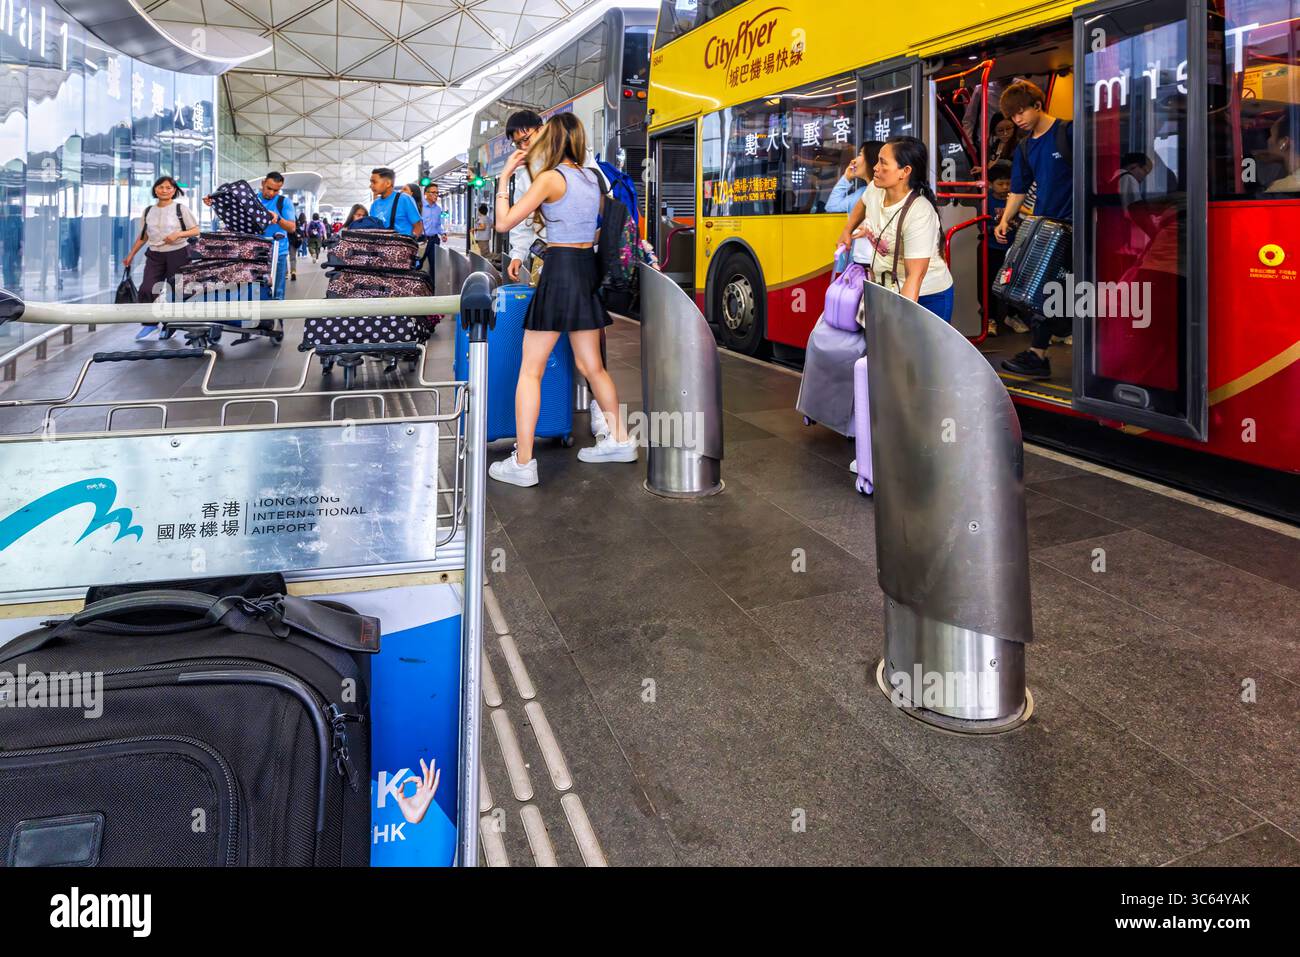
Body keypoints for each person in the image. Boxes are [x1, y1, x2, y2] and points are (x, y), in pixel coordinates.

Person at [487, 112, 637, 487]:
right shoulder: (590, 179)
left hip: (559, 273)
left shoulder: (551, 179)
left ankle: (523, 463)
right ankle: (620, 439)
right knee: (593, 367)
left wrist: (505, 178)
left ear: (552, 140)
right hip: (586, 270)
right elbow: (605, 223)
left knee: (531, 370)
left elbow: (504, 223)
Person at [993, 80, 1073, 378]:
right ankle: (1038, 354)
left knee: (1060, 292)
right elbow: (1018, 188)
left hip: (1078, 227)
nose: (1018, 120)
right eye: (1013, 116)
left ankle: (1042, 353)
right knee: (1040, 291)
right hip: (1046, 229)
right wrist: (1004, 221)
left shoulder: (1068, 132)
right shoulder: (1026, 147)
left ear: (1038, 105)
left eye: (1021, 112)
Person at [837, 135, 955, 322]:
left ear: (905, 171)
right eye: (877, 161)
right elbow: (862, 204)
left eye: (883, 163)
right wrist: (847, 231)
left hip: (926, 298)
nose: (875, 167)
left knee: (916, 351)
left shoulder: (919, 212)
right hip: (886, 290)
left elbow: (914, 278)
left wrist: (900, 326)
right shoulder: (875, 190)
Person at [502, 108, 606, 283]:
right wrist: (518, 254)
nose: (523, 147)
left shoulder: (580, 160)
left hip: (577, 255)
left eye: (526, 139)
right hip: (547, 255)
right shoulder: (525, 176)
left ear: (542, 130)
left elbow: (602, 197)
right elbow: (521, 221)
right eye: (517, 144)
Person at [123, 174, 200, 337]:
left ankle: (172, 325)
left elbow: (196, 230)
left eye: (168, 187)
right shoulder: (148, 211)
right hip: (155, 255)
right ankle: (150, 323)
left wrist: (178, 234)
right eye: (160, 187)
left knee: (178, 291)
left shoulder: (181, 209)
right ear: (155, 190)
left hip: (179, 254)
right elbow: (144, 236)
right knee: (147, 288)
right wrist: (131, 254)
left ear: (174, 191)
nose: (164, 190)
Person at [205, 171, 296, 301]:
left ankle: (276, 319)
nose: (271, 193)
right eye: (268, 188)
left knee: (277, 291)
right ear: (263, 183)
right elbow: (233, 215)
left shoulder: (284, 202)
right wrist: (213, 202)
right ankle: (258, 318)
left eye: (276, 190)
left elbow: (292, 228)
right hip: (253, 252)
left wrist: (278, 218)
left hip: (277, 253)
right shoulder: (250, 199)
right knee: (252, 289)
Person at [985, 160, 1014, 336]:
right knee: (991, 284)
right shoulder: (987, 200)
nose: (1004, 187)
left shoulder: (1016, 200)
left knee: (1013, 283)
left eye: (1008, 183)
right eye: (1000, 183)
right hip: (992, 248)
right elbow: (982, 223)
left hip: (1012, 248)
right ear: (991, 184)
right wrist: (991, 229)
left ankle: (1012, 315)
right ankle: (991, 318)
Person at [826, 141, 883, 213]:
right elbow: (831, 207)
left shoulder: (884, 192)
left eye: (860, 154)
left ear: (872, 158)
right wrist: (846, 178)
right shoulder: (861, 193)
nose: (853, 161)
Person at [368, 168, 423, 237]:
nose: (370, 186)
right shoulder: (374, 204)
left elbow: (418, 227)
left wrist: (410, 242)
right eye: (371, 182)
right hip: (382, 246)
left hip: (403, 245)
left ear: (388, 183)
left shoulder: (404, 199)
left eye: (374, 182)